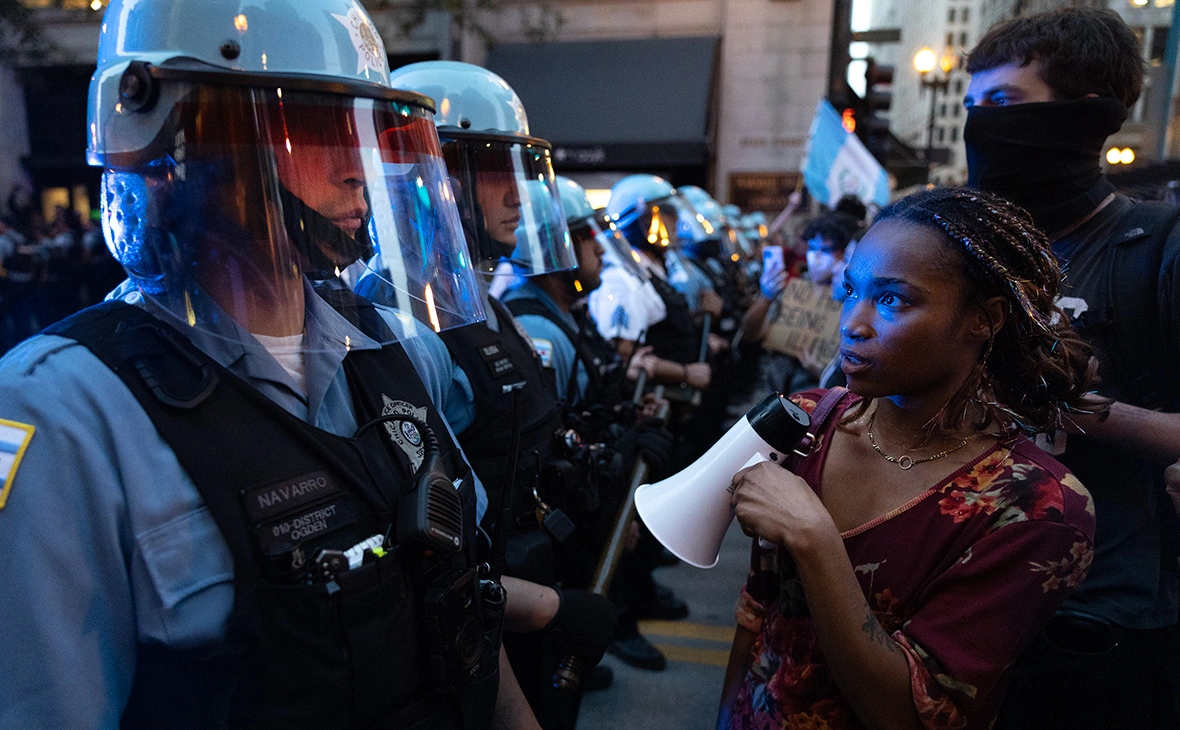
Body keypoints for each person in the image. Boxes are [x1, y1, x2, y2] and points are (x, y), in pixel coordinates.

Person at [0, 1, 546, 727]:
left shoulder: (395, 346)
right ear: (188, 137)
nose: (360, 170)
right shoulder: (61, 411)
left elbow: (460, 597)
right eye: (318, 128)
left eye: (366, 132)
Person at [718, 188, 1102, 730]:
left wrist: (813, 536)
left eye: (893, 300)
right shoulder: (806, 422)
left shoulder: (1038, 508)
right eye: (851, 292)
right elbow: (757, 614)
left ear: (984, 319)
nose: (853, 323)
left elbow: (912, 714)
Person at [355, 61, 618, 727]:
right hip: (474, 631)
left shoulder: (472, 301)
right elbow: (428, 546)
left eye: (520, 172)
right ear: (428, 173)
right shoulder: (395, 321)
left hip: (518, 593)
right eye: (493, 169)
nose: (518, 195)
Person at [963, 9, 1180, 728]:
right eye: (973, 106)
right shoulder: (962, 250)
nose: (980, 126)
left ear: (1086, 117)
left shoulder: (1152, 251)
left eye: (1004, 105)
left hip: (1094, 621)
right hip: (957, 596)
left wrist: (1072, 402)